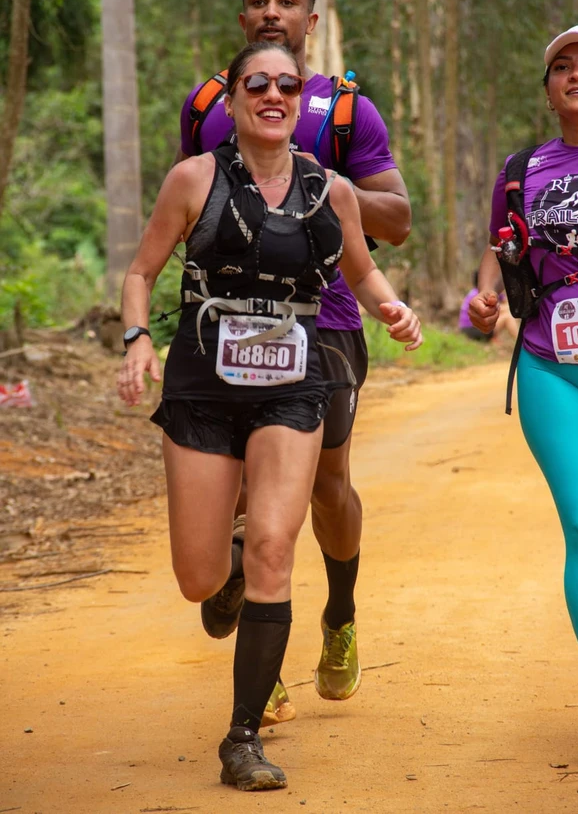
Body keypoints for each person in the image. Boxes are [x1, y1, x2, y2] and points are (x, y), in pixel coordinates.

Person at [118, 41, 422, 790]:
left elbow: (361, 265)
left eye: (288, 83)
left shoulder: (331, 189)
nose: (274, 94)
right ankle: (221, 579)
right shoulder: (194, 179)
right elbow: (140, 270)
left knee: (275, 551)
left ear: (299, 96)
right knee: (197, 577)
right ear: (233, 100)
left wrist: (389, 305)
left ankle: (242, 738)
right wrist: (135, 343)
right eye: (258, 82)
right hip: (202, 386)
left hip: (293, 384)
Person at [174, 0, 412, 725]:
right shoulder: (211, 103)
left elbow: (398, 217)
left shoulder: (347, 112)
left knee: (322, 483)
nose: (272, 11)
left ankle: (339, 614)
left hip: (328, 319)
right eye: (258, 1)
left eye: (288, 2)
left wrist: (319, 186)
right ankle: (259, 643)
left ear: (312, 22)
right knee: (239, 482)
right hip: (225, 324)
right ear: (242, 18)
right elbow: (193, 203)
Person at [469, 24, 578, 753]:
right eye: (562, 66)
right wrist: (484, 301)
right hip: (554, 368)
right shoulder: (522, 169)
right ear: (548, 89)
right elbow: (500, 247)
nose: (577, 74)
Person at [458, 271, 519, 342]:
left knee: (507, 312)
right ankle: (520, 341)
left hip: (468, 329)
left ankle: (496, 339)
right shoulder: (479, 295)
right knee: (507, 316)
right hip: (472, 330)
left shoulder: (475, 292)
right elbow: (500, 308)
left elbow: (505, 303)